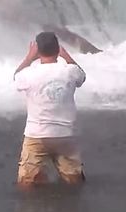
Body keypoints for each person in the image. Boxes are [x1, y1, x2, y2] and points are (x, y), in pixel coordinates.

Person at [13, 31, 87, 189]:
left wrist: (29, 57)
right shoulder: (70, 71)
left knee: (26, 184)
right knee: (74, 182)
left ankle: (30, 209)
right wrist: (66, 56)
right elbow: (82, 76)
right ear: (57, 49)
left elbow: (16, 77)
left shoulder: (28, 74)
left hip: (36, 135)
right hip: (65, 135)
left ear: (38, 51)